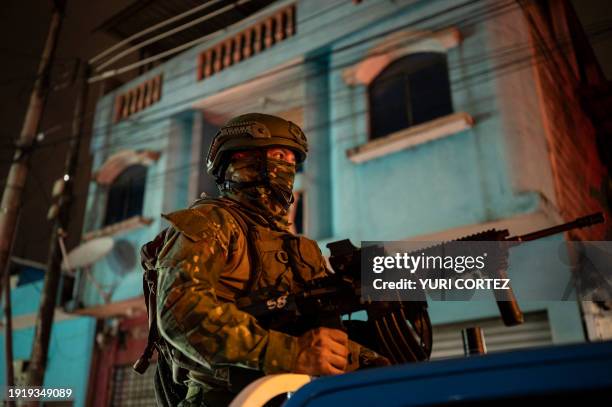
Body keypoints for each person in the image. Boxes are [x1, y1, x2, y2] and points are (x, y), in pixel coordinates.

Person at [143, 113, 389, 406]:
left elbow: (318, 331)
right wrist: (290, 353)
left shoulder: (300, 248)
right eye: (274, 154)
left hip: (294, 394)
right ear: (238, 159)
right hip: (225, 399)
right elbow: (181, 313)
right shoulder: (211, 223)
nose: (282, 165)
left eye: (288, 157)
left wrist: (364, 358)